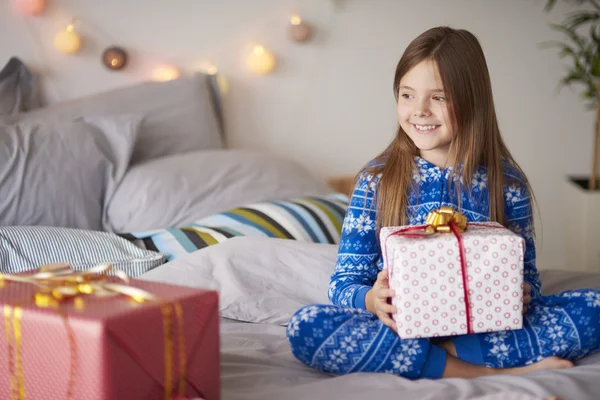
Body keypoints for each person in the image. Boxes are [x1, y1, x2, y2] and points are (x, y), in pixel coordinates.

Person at [286, 26, 600, 380]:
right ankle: (483, 371)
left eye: (438, 97)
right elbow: (343, 283)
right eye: (407, 95)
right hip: (398, 327)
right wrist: (372, 300)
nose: (419, 110)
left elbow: (527, 278)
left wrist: (521, 292)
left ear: (472, 101)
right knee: (307, 326)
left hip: (482, 328)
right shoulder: (376, 181)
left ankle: (441, 356)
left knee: (596, 308)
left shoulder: (506, 183)